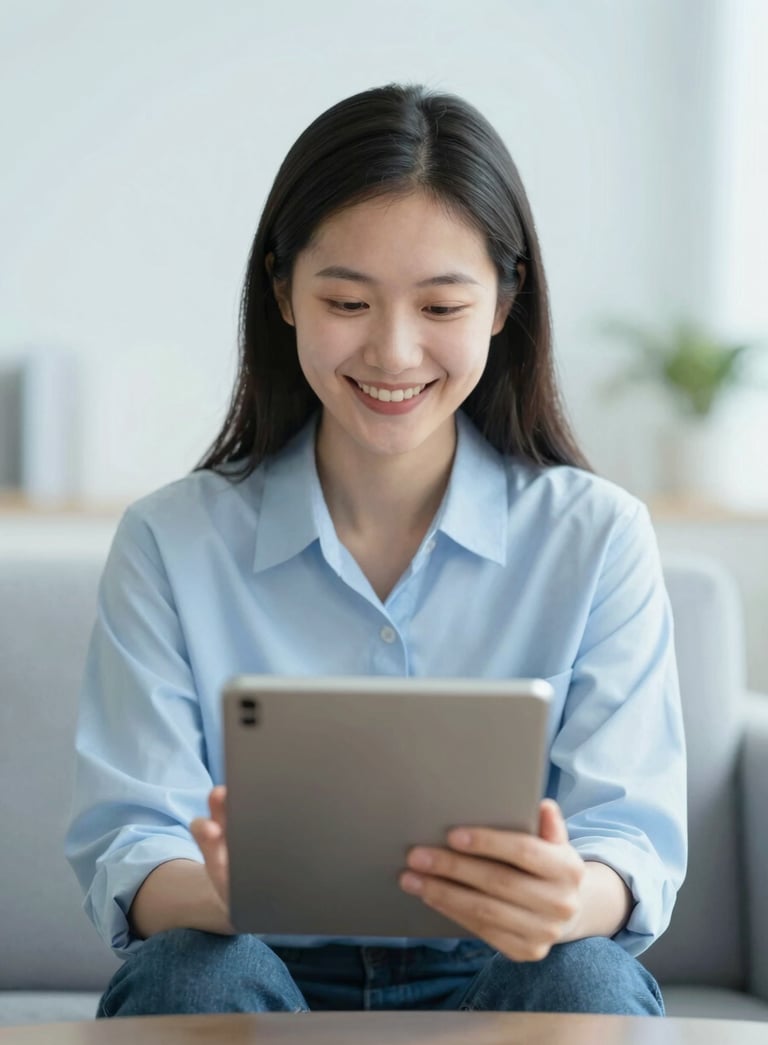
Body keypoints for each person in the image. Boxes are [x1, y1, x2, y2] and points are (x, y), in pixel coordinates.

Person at [65, 83, 686, 1018]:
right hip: (250, 954)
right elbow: (133, 837)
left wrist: (571, 893)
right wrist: (227, 889)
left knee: (583, 971)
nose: (394, 353)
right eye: (348, 300)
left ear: (504, 304)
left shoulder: (597, 536)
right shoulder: (170, 540)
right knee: (193, 971)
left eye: (441, 306)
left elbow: (625, 835)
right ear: (281, 292)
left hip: (501, 963)